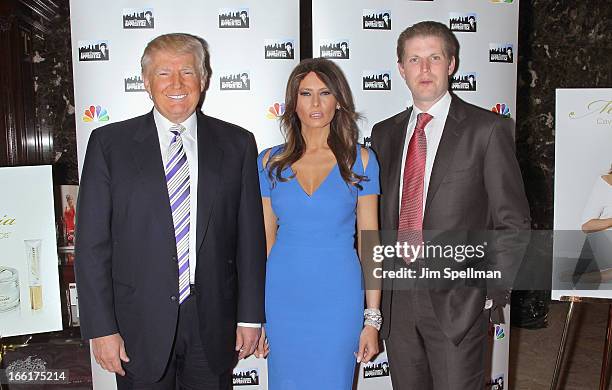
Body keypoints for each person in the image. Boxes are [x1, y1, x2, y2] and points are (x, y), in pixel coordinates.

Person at [75, 33, 267, 389]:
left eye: (188, 72)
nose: (177, 83)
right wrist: (101, 328)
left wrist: (251, 317)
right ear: (146, 82)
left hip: (213, 322)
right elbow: (91, 247)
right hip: (137, 327)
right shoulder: (109, 145)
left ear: (204, 79)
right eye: (164, 73)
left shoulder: (238, 144)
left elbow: (250, 240)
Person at [370, 21, 530, 390]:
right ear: (401, 69)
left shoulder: (487, 129)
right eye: (414, 59)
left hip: (459, 302)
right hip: (397, 301)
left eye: (434, 58)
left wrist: (489, 292)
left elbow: (513, 220)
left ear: (451, 64)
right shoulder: (384, 133)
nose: (424, 69)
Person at [257, 58, 381, 389]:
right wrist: (262, 315)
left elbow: (371, 244)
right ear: (292, 102)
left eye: (324, 93)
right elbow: (265, 243)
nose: (315, 103)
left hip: (338, 296)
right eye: (305, 93)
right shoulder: (269, 162)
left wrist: (372, 318)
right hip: (283, 297)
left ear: (338, 100)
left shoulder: (362, 160)